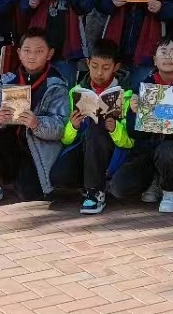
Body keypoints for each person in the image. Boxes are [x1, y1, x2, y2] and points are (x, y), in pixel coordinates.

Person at [0, 29, 70, 208]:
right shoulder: (7, 80)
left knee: (30, 194)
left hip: (35, 149)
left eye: (39, 51)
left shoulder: (56, 86)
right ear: (19, 53)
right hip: (7, 143)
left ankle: (16, 179)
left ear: (49, 54)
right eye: (27, 50)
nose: (32, 56)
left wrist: (37, 123)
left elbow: (60, 128)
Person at [111, 35, 173, 214]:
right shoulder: (143, 87)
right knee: (119, 187)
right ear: (154, 59)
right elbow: (132, 132)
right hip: (147, 150)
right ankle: (153, 181)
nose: (168, 56)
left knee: (167, 151)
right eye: (163, 52)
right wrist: (134, 113)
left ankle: (172, 190)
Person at [50, 40, 134, 215]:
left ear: (116, 67)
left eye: (106, 67)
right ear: (88, 63)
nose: (99, 73)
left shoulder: (127, 94)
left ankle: (95, 192)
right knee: (59, 176)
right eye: (94, 66)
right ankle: (91, 181)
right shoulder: (76, 92)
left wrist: (115, 129)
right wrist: (73, 126)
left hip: (113, 152)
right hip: (84, 148)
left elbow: (129, 142)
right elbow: (66, 139)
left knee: (97, 128)